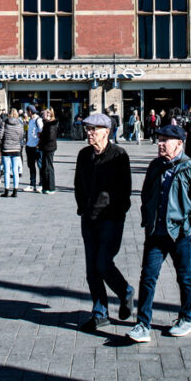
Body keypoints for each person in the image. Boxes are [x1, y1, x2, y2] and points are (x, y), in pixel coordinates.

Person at [128, 124, 191, 343]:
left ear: (179, 143)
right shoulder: (155, 165)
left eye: (165, 140)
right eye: (159, 140)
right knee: (148, 277)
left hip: (180, 234)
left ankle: (186, 318)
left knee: (184, 276)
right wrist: (147, 219)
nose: (160, 144)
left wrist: (187, 228)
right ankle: (142, 324)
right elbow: (145, 194)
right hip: (156, 233)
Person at [74, 113, 133, 332]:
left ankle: (125, 291)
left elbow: (124, 190)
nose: (89, 133)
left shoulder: (119, 155)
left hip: (110, 219)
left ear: (106, 132)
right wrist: (83, 208)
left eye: (93, 130)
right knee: (92, 270)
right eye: (87, 129)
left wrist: (115, 213)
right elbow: (78, 184)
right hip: (88, 219)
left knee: (103, 263)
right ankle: (100, 313)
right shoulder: (84, 155)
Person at [0, 107, 25, 197]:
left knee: (6, 171)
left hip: (6, 148)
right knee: (15, 171)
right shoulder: (19, 123)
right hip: (16, 149)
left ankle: (6, 190)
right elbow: (21, 136)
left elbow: (0, 135)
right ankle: (15, 190)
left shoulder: (4, 122)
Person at [39, 107, 59, 194]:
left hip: (49, 147)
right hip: (46, 147)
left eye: (44, 114)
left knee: (48, 167)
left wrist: (41, 137)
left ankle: (51, 187)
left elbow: (50, 137)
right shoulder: (47, 123)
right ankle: (45, 186)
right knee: (44, 167)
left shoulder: (51, 124)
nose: (42, 115)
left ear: (49, 115)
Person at [24, 105, 43, 192]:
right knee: (31, 166)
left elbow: (42, 132)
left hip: (36, 147)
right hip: (29, 146)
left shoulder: (38, 120)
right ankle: (32, 184)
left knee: (40, 166)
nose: (26, 113)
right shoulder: (30, 120)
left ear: (30, 111)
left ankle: (42, 184)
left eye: (27, 111)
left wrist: (39, 144)